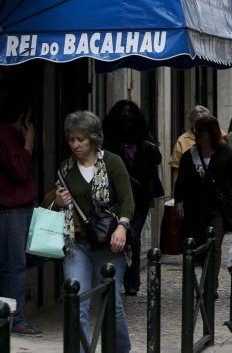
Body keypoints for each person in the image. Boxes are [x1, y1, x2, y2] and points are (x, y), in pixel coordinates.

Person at [50, 111, 134, 353]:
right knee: (77, 303)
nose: (75, 145)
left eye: (81, 139)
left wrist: (122, 226)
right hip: (77, 244)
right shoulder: (66, 169)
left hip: (109, 244)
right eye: (71, 139)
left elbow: (128, 200)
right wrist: (58, 201)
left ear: (94, 139)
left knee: (113, 305)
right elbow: (60, 206)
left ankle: (120, 349)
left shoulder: (112, 162)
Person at [173, 115, 232, 299]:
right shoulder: (190, 155)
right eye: (197, 131)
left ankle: (209, 285)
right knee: (195, 247)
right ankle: (198, 282)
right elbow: (181, 180)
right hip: (194, 209)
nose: (198, 134)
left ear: (210, 132)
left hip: (216, 209)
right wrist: (179, 201)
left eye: (202, 131)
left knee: (214, 246)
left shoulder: (225, 154)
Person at [103, 100, 163, 296]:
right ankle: (118, 277)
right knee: (120, 236)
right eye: (123, 113)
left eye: (130, 113)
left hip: (140, 198)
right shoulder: (110, 142)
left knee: (133, 235)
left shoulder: (144, 139)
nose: (127, 117)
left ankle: (132, 281)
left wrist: (149, 146)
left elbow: (157, 159)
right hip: (116, 198)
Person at [0, 90, 41, 337]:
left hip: (23, 208)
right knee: (14, 266)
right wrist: (29, 144)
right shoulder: (4, 136)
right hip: (10, 212)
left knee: (31, 258)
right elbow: (19, 171)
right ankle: (14, 319)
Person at [170, 105, 210, 192]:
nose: (200, 126)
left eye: (203, 122)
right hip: (189, 190)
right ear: (192, 122)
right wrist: (175, 196)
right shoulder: (182, 141)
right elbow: (176, 170)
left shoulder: (219, 137)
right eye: (197, 122)